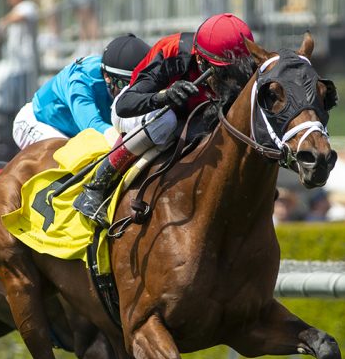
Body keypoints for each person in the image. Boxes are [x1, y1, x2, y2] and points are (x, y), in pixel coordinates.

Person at [73, 13, 255, 225]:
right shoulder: (173, 52)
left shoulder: (243, 62)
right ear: (200, 59)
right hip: (139, 110)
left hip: (187, 117)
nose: (230, 78)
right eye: (223, 71)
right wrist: (164, 96)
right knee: (166, 120)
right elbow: (125, 105)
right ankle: (96, 187)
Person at [12, 33, 149, 150]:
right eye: (126, 84)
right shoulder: (82, 80)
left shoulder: (114, 76)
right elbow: (91, 127)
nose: (132, 91)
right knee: (72, 158)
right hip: (38, 122)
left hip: (73, 131)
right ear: (107, 77)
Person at [0, 0, 39, 110]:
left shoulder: (27, 6)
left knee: (25, 102)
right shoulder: (15, 10)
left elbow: (21, 17)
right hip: (14, 64)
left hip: (26, 63)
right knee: (10, 103)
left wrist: (4, 21)